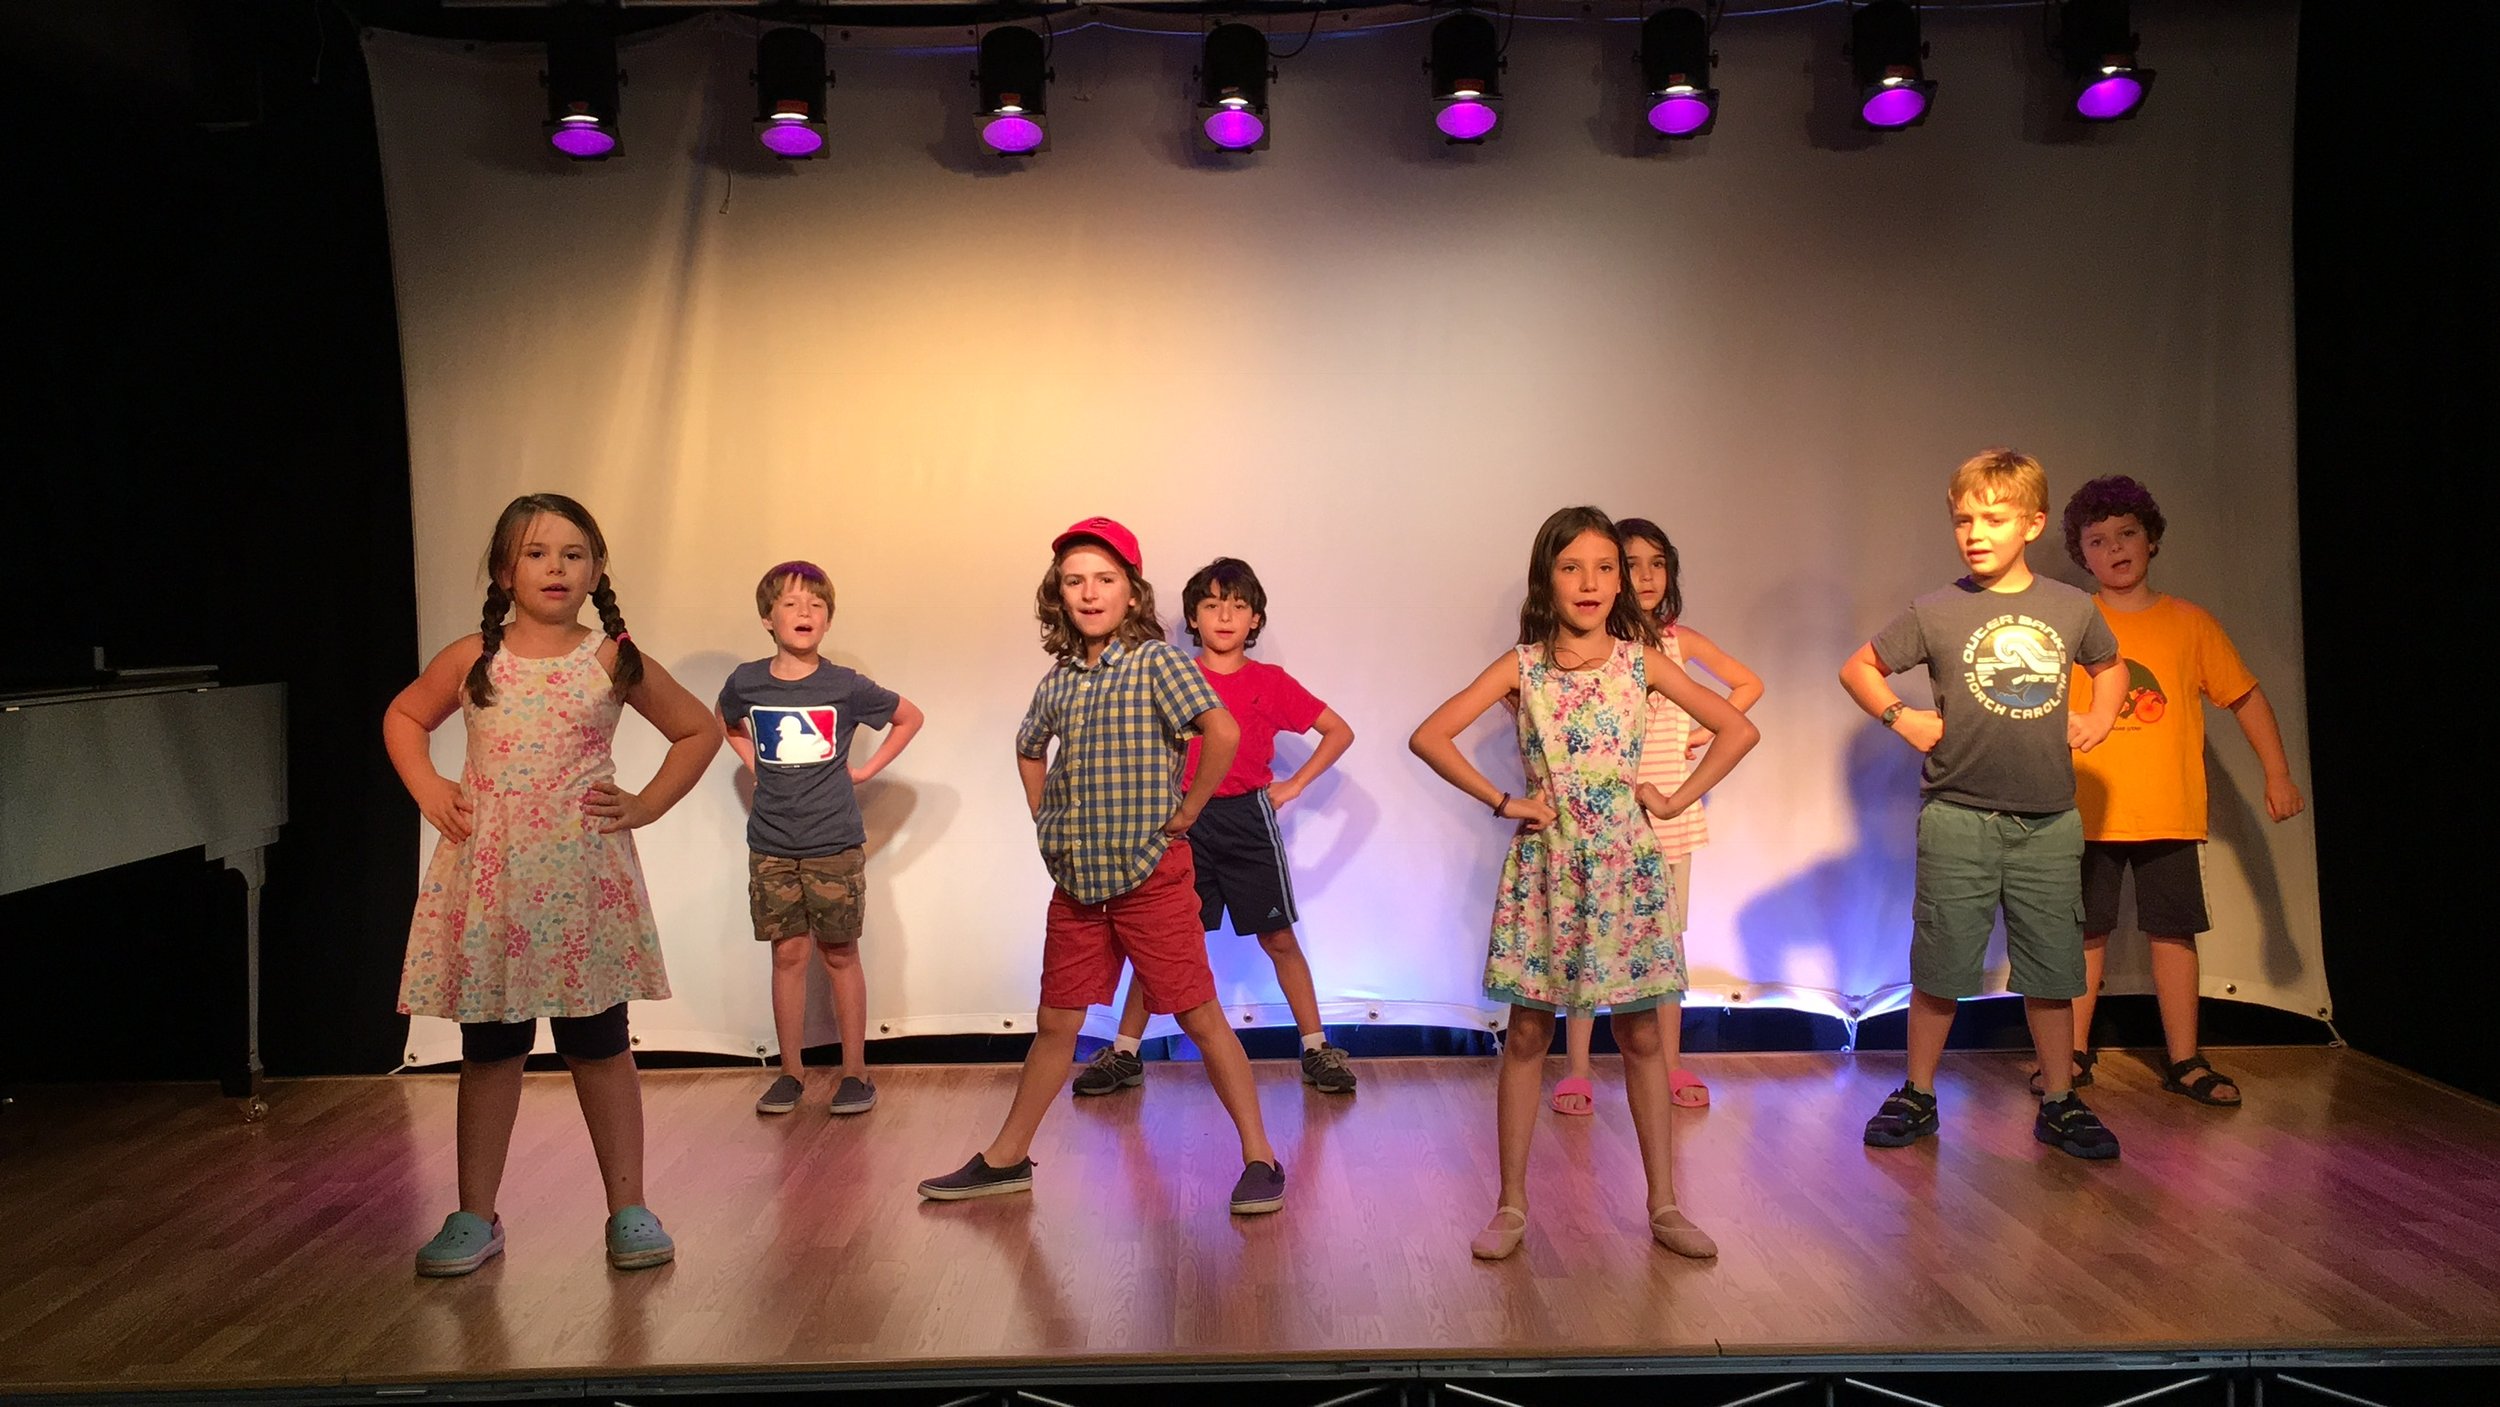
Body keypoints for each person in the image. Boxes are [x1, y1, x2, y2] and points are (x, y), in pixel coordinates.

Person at [1409, 505, 1759, 1261]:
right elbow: (1429, 735)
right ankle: (1510, 1205)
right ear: (1548, 578)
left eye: (1605, 567)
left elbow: (1739, 727)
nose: (1591, 582)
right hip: (1549, 868)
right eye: (1572, 567)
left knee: (1641, 1033)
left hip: (1626, 869)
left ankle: (1665, 1204)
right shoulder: (1523, 666)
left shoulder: (1641, 662)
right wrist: (1505, 800)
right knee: (1528, 1032)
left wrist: (1672, 798)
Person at [387, 493, 721, 1275]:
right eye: (536, 553)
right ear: (506, 571)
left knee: (599, 1043)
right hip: (495, 883)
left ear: (596, 570)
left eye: (573, 554)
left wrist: (644, 803)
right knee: (491, 1048)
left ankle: (629, 1207)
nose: (555, 567)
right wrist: (430, 788)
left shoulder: (610, 659)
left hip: (581, 885)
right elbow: (404, 717)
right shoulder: (473, 657)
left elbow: (697, 729)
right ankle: (476, 1214)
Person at [916, 518, 1287, 1215]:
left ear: (1132, 592)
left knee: (1201, 1015)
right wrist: (1043, 816)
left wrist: (1188, 810)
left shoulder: (1157, 664)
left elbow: (1222, 730)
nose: (1089, 593)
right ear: (1058, 594)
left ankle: (1261, 1156)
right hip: (1080, 885)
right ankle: (1006, 1157)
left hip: (1151, 878)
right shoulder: (1059, 681)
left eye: (1105, 579)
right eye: (1074, 581)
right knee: (1057, 1022)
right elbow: (1030, 746)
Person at [1838, 449, 2127, 1160]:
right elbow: (1859, 666)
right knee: (1940, 964)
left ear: (2032, 523)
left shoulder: (2070, 606)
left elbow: (2110, 664)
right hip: (1958, 816)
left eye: (1994, 519)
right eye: (1964, 520)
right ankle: (1918, 1092)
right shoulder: (1937, 610)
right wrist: (1901, 717)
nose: (1975, 533)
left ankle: (2059, 1098)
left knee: (2052, 969)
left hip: (2048, 821)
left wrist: (2101, 715)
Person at [718, 560, 924, 1118]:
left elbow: (909, 717)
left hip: (834, 842)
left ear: (828, 620)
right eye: (789, 603)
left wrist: (865, 771)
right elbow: (727, 720)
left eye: (815, 604)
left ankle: (855, 1073)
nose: (804, 611)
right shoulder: (746, 681)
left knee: (839, 953)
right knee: (787, 954)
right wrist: (754, 763)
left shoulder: (845, 685)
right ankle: (791, 1073)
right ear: (768, 618)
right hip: (771, 843)